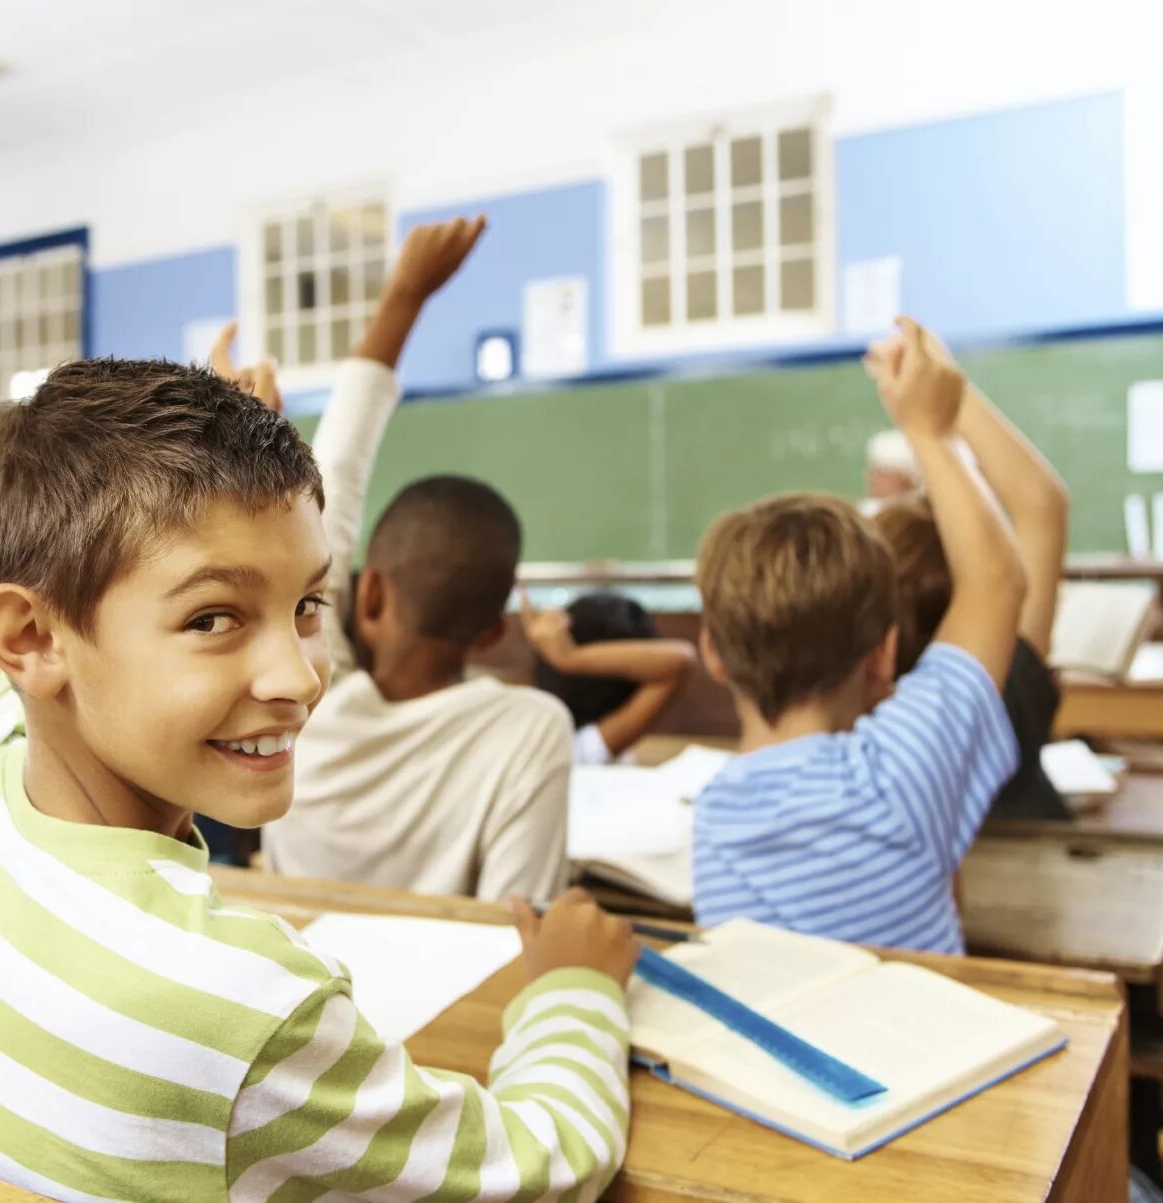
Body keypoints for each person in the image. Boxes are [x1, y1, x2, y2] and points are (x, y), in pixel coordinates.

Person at [0, 217, 637, 1203]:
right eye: (216, 617)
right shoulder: (239, 1006)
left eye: (311, 604)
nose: (303, 677)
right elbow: (545, 1166)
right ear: (32, 640)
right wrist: (574, 989)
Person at [262, 218, 576, 903]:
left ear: (368, 594)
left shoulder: (304, 703)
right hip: (450, 1001)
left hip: (302, 991)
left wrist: (403, 298)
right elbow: (518, 919)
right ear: (493, 631)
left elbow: (335, 478)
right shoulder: (530, 728)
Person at [692, 317, 1024, 954]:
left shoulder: (713, 815)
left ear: (714, 654)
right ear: (884, 655)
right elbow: (997, 582)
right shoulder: (899, 772)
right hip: (920, 1053)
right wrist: (927, 430)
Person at [872, 328, 1072, 820]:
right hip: (1043, 882)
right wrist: (939, 402)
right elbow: (1042, 506)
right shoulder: (1009, 684)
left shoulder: (876, 721)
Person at [521, 589, 695, 765]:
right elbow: (679, 662)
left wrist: (559, 656)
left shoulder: (563, 736)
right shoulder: (581, 750)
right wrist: (570, 658)